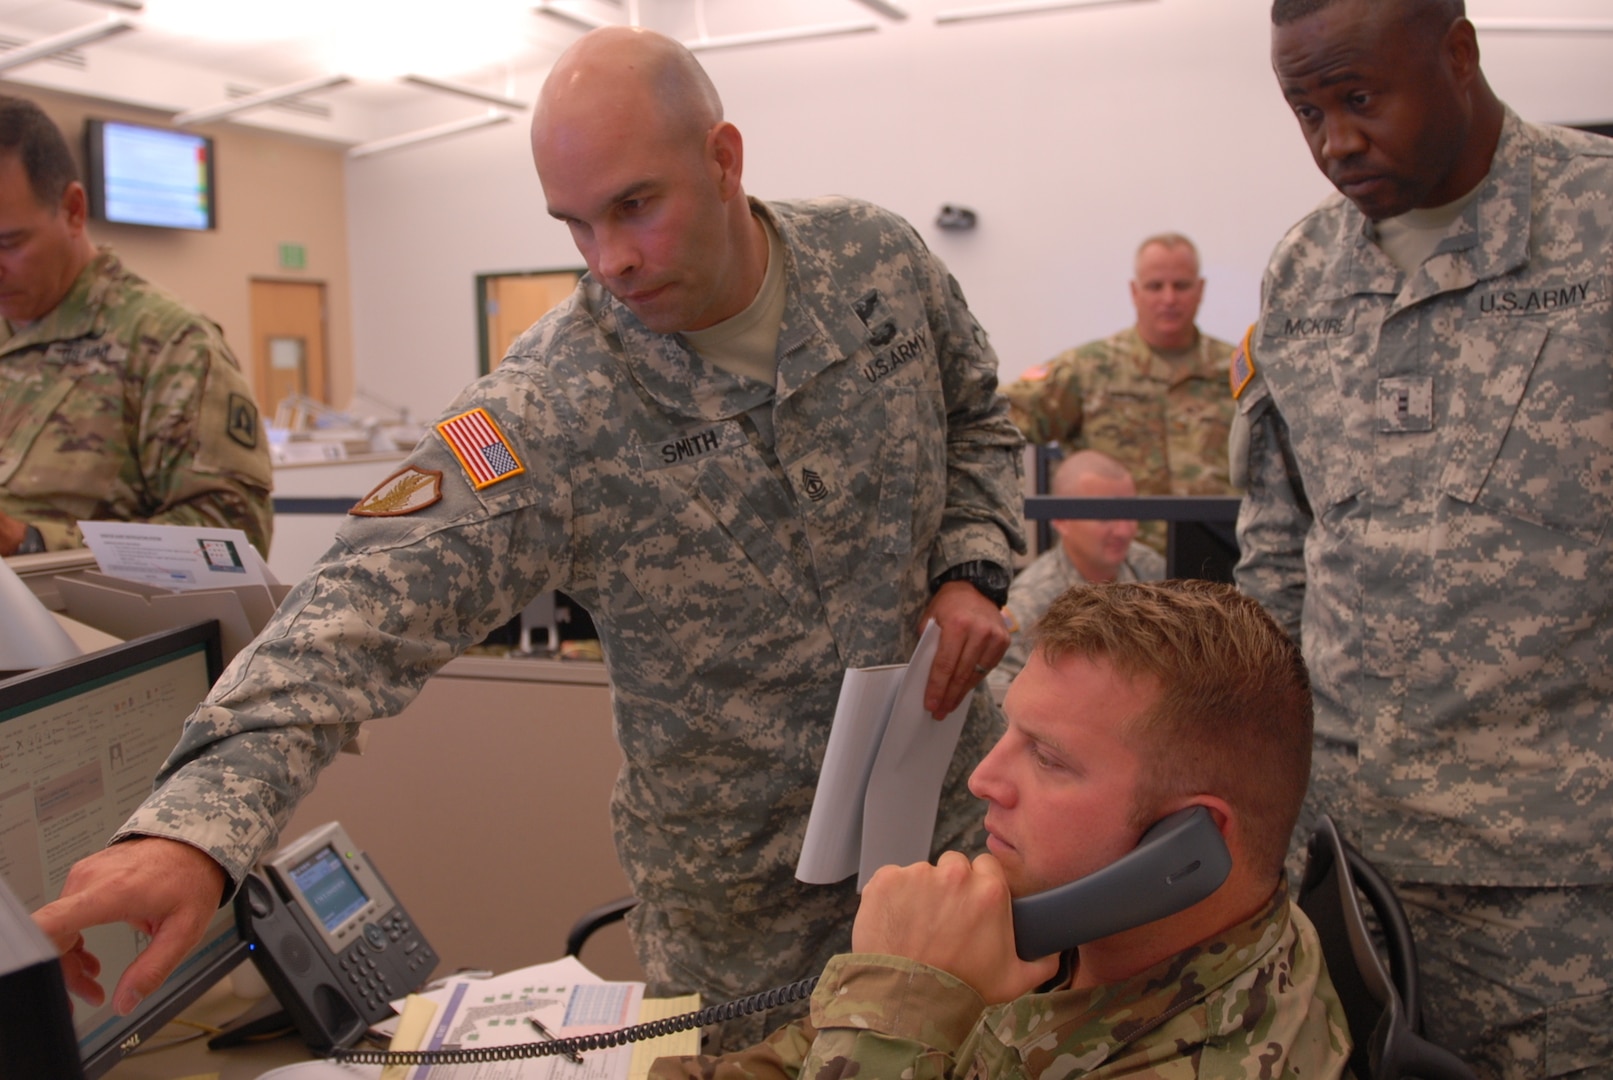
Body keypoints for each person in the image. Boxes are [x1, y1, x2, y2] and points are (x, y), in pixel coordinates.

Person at [33, 27, 1025, 1050]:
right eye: (576, 224)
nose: (612, 260)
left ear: (723, 158)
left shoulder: (875, 263)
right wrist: (193, 829)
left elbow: (979, 419)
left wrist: (970, 570)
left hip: (955, 835)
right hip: (749, 921)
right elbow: (351, 611)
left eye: (637, 204)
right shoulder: (556, 405)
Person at [1238, 1, 1613, 1074]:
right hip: (1347, 869)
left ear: (1457, 54)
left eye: (1358, 99)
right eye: (1303, 110)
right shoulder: (1304, 275)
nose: (1332, 141)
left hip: (1558, 883)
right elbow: (1276, 553)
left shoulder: (1592, 223)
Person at [649, 581, 1352, 1080]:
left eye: (1046, 757)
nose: (982, 778)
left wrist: (901, 1005)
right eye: (1009, 731)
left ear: (1185, 846)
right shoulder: (1071, 937)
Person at [0, 96, 272, 558]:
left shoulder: (170, 344)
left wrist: (32, 542)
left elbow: (233, 538)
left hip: (87, 628)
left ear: (73, 210)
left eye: (8, 243)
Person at [1002, 233, 1236, 552]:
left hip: (1218, 560)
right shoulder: (1090, 369)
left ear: (1201, 290)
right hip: (1118, 568)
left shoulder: (1237, 371)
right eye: (1155, 286)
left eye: (1181, 285)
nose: (1169, 298)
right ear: (1135, 292)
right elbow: (996, 419)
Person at [993, 451, 1162, 691]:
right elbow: (999, 687)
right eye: (1106, 517)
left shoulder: (1149, 569)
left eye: (1129, 514)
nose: (1124, 531)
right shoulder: (1033, 600)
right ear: (1061, 520)